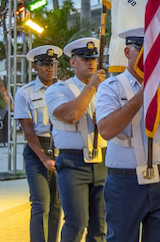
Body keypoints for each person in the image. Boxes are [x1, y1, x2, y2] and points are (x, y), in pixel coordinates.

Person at [96, 27, 160, 242]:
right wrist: (142, 96)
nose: (145, 56)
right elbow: (105, 130)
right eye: (140, 48)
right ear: (127, 52)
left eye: (150, 50)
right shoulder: (111, 88)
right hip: (124, 181)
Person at [45, 37, 107, 242]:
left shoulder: (107, 89)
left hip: (102, 159)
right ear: (73, 62)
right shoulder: (58, 89)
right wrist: (91, 87)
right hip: (73, 162)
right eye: (84, 58)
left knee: (100, 226)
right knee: (76, 222)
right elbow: (71, 115)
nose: (90, 62)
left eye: (93, 58)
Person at [14, 45, 63, 242]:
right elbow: (28, 132)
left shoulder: (63, 90)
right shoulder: (25, 93)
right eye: (44, 64)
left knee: (57, 204)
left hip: (60, 148)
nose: (49, 68)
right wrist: (44, 158)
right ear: (35, 67)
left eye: (51, 64)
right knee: (41, 203)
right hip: (37, 151)